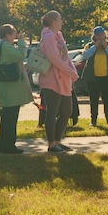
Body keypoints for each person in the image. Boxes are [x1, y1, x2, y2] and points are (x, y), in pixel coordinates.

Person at [38, 11, 80, 153]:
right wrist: (70, 72)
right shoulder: (48, 36)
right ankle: (51, 144)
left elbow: (65, 57)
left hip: (64, 80)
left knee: (67, 110)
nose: (62, 21)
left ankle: (57, 141)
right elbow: (54, 58)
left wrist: (73, 71)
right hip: (51, 80)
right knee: (52, 111)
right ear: (54, 21)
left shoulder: (59, 36)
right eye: (60, 19)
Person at [0, 24, 32, 154]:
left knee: (7, 116)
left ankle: (3, 144)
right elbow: (20, 56)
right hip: (10, 87)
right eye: (14, 34)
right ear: (7, 35)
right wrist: (22, 42)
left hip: (7, 87)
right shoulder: (5, 46)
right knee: (10, 117)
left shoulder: (0, 46)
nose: (15, 36)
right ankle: (8, 145)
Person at [79, 27, 108, 126]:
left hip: (107, 77)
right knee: (93, 100)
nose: (100, 37)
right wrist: (95, 47)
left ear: (105, 35)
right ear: (94, 36)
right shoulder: (89, 46)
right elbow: (85, 56)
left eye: (102, 35)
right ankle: (93, 120)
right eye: (98, 35)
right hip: (93, 78)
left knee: (107, 99)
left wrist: (106, 47)